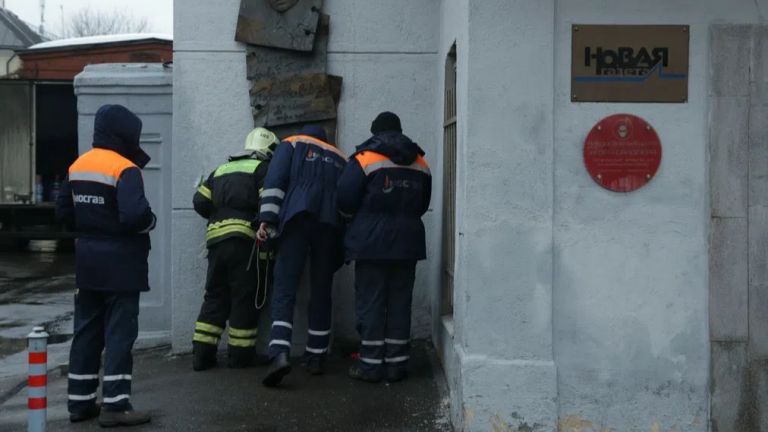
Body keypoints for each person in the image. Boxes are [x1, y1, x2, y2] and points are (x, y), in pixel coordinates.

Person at [56, 104, 155, 427]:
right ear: (125, 134)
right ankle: (115, 404)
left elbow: (64, 215)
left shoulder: (77, 166)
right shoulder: (125, 169)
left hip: (88, 265)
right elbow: (135, 216)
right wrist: (150, 221)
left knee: (85, 333)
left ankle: (80, 402)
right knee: (118, 335)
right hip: (122, 268)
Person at [336, 112, 432, 383]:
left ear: (375, 133)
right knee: (401, 302)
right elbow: (423, 204)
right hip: (407, 243)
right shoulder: (421, 162)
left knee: (372, 302)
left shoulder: (365, 158)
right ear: (400, 131)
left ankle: (370, 366)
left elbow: (344, 198)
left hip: (371, 243)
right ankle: (396, 365)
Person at [257, 125, 347, 387]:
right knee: (321, 290)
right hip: (329, 225)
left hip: (297, 217)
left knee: (285, 286)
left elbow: (275, 181)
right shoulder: (340, 157)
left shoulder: (292, 142)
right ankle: (317, 356)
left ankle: (280, 354)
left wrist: (266, 219)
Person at [191, 127, 279, 371]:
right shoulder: (262, 169)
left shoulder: (220, 169)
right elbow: (269, 203)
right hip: (244, 242)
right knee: (243, 296)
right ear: (268, 150)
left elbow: (199, 202)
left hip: (216, 242)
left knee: (215, 295)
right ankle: (240, 357)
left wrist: (221, 213)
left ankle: (202, 355)